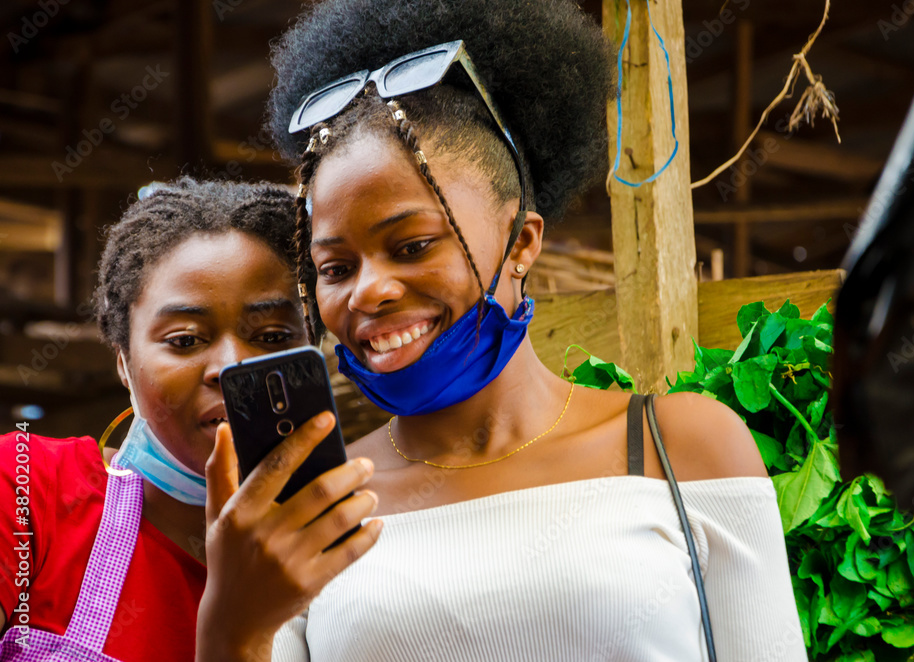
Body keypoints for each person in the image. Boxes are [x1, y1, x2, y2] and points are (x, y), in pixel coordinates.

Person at [255, 0, 809, 660]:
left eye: (411, 246)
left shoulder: (682, 447)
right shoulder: (314, 505)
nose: (367, 290)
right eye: (335, 266)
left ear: (522, 242)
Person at [0, 178, 381, 662]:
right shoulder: (29, 485)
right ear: (123, 361)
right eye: (184, 340)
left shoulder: (362, 548)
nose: (229, 367)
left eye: (270, 337)